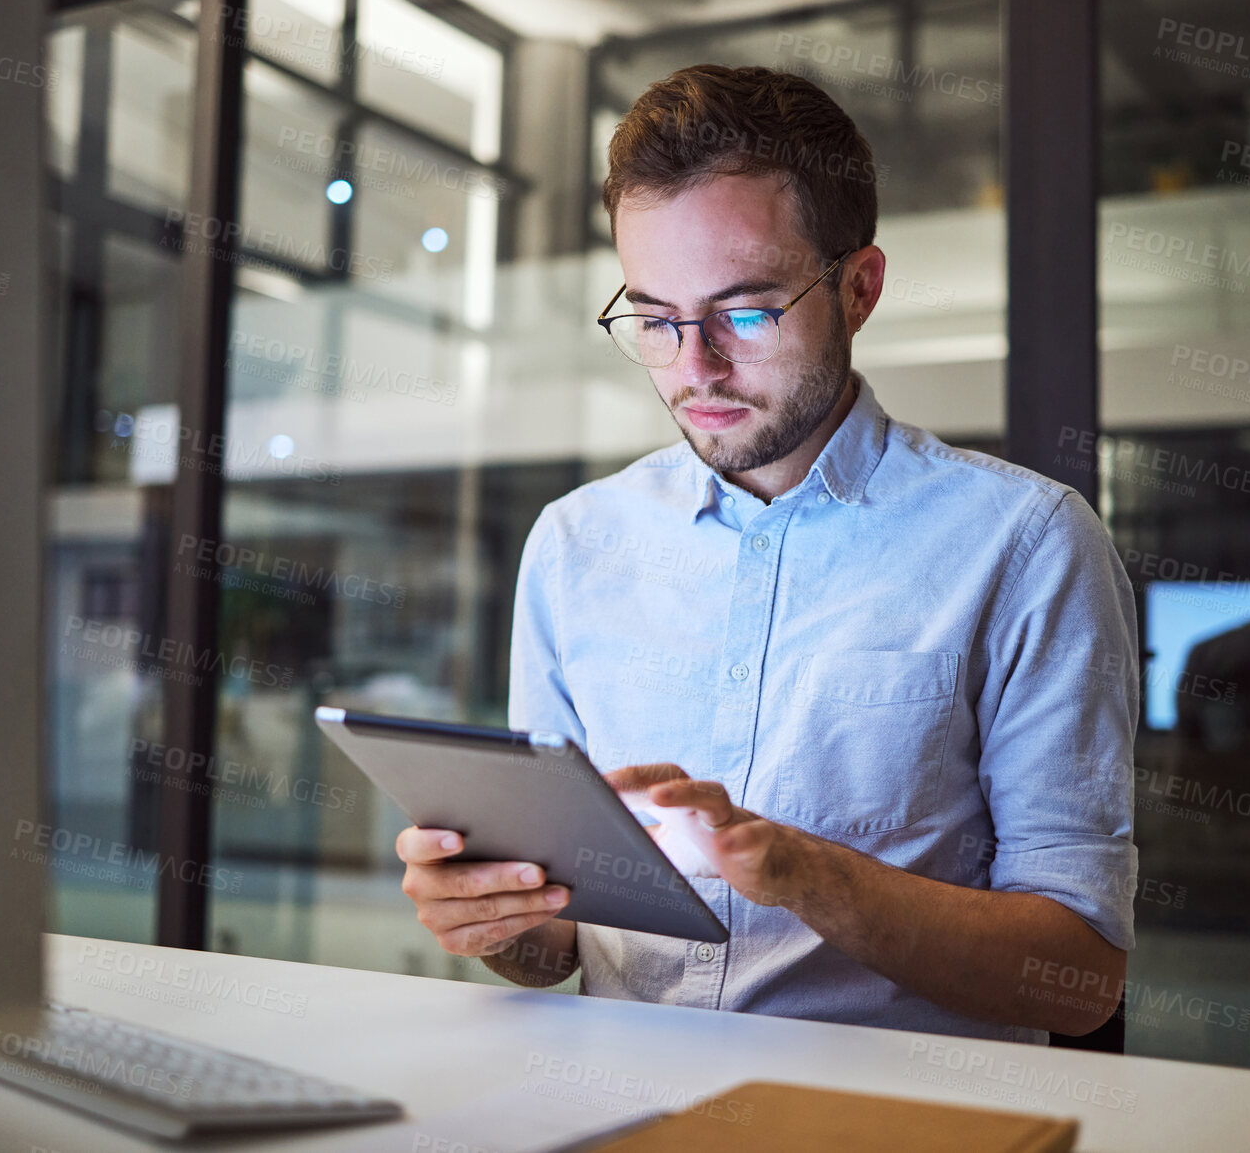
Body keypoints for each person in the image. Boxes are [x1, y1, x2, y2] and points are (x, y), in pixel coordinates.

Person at [396, 64, 1138, 1043]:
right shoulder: (576, 544)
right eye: (657, 320)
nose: (693, 368)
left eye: (744, 311)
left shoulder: (1026, 544)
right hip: (621, 1106)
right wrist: (500, 920)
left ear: (858, 287)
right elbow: (562, 943)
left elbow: (1078, 978)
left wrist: (803, 871)